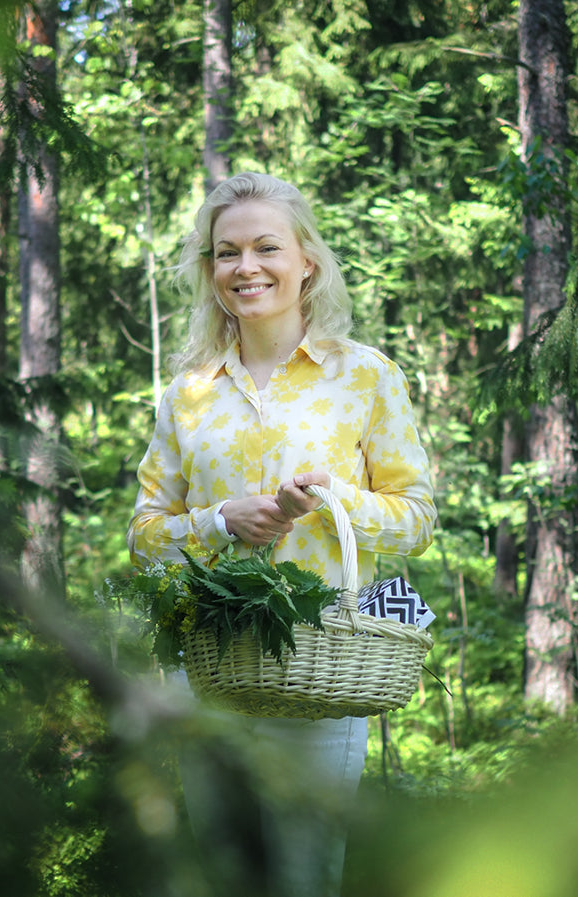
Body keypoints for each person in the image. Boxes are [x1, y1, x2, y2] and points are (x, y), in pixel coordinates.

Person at [126, 171, 436, 896]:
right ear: (209, 271)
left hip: (320, 665)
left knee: (304, 877)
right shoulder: (189, 393)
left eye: (266, 247)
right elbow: (143, 533)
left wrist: (333, 502)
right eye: (226, 252)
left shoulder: (365, 377)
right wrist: (218, 520)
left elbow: (417, 518)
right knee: (224, 871)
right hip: (207, 666)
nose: (246, 267)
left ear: (308, 263)